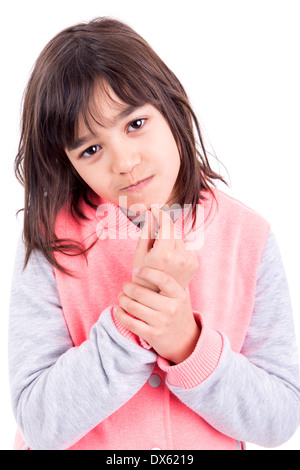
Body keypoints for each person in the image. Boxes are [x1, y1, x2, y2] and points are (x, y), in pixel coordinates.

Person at [9, 17, 300, 450]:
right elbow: (39, 423)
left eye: (135, 124)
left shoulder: (248, 237)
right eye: (91, 149)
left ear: (171, 107)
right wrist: (134, 324)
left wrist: (186, 342)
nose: (124, 162)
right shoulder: (52, 242)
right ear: (68, 162)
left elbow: (278, 421)